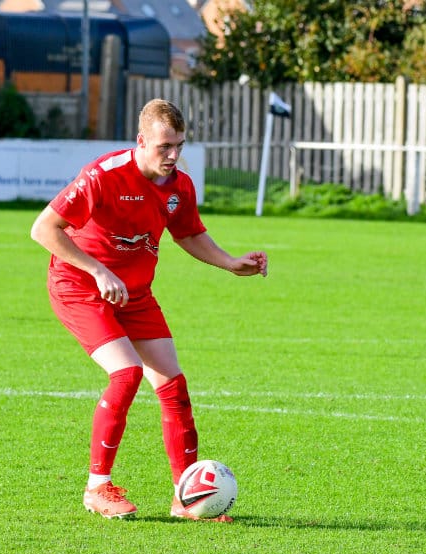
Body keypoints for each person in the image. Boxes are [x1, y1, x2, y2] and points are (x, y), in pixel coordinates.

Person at [30, 98, 268, 522]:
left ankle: (186, 498)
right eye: (164, 146)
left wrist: (231, 262)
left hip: (134, 293)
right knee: (126, 374)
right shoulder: (103, 175)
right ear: (141, 141)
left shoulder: (179, 187)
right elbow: (43, 228)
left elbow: (189, 234)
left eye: (179, 145)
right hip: (80, 287)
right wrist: (98, 270)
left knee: (173, 385)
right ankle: (97, 488)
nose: (173, 155)